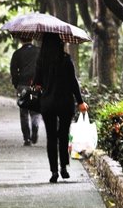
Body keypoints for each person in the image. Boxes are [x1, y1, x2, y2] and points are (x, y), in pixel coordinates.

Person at [34, 33, 88, 183]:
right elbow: (73, 82)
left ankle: (54, 172)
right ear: (59, 43)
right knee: (63, 135)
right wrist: (80, 102)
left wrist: (41, 84)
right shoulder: (65, 59)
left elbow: (37, 83)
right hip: (65, 103)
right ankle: (64, 167)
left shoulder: (41, 60)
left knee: (51, 137)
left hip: (48, 104)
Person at [10, 36, 41, 146]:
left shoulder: (17, 54)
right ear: (32, 39)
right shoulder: (39, 52)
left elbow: (13, 71)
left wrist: (16, 84)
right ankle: (35, 129)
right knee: (35, 110)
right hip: (35, 86)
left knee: (23, 112)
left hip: (22, 85)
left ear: (20, 40)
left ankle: (27, 138)